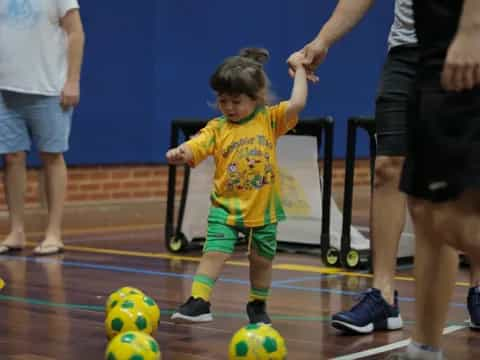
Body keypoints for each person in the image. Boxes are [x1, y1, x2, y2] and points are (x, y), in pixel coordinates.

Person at [287, 0, 480, 335]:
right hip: (407, 53)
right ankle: (383, 295)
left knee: (465, 186)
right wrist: (322, 40)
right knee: (388, 167)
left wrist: (470, 31)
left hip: (470, 47)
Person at [167, 48, 308, 324]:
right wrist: (182, 151)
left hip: (263, 211)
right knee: (214, 251)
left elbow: (297, 103)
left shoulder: (269, 119)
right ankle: (199, 300)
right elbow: (198, 143)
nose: (229, 107)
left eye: (236, 101)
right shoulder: (218, 128)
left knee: (261, 260)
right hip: (226, 208)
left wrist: (301, 71)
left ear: (256, 99)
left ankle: (257, 304)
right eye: (222, 101)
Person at [388, 0, 480, 358]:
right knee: (425, 210)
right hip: (432, 52)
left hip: (464, 47)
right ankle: (424, 349)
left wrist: (473, 27)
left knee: (456, 220)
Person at [0, 0, 85, 255]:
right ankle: (16, 231)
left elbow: (76, 33)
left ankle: (54, 232)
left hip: (48, 88)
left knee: (51, 156)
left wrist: (72, 80)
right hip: (5, 88)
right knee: (12, 157)